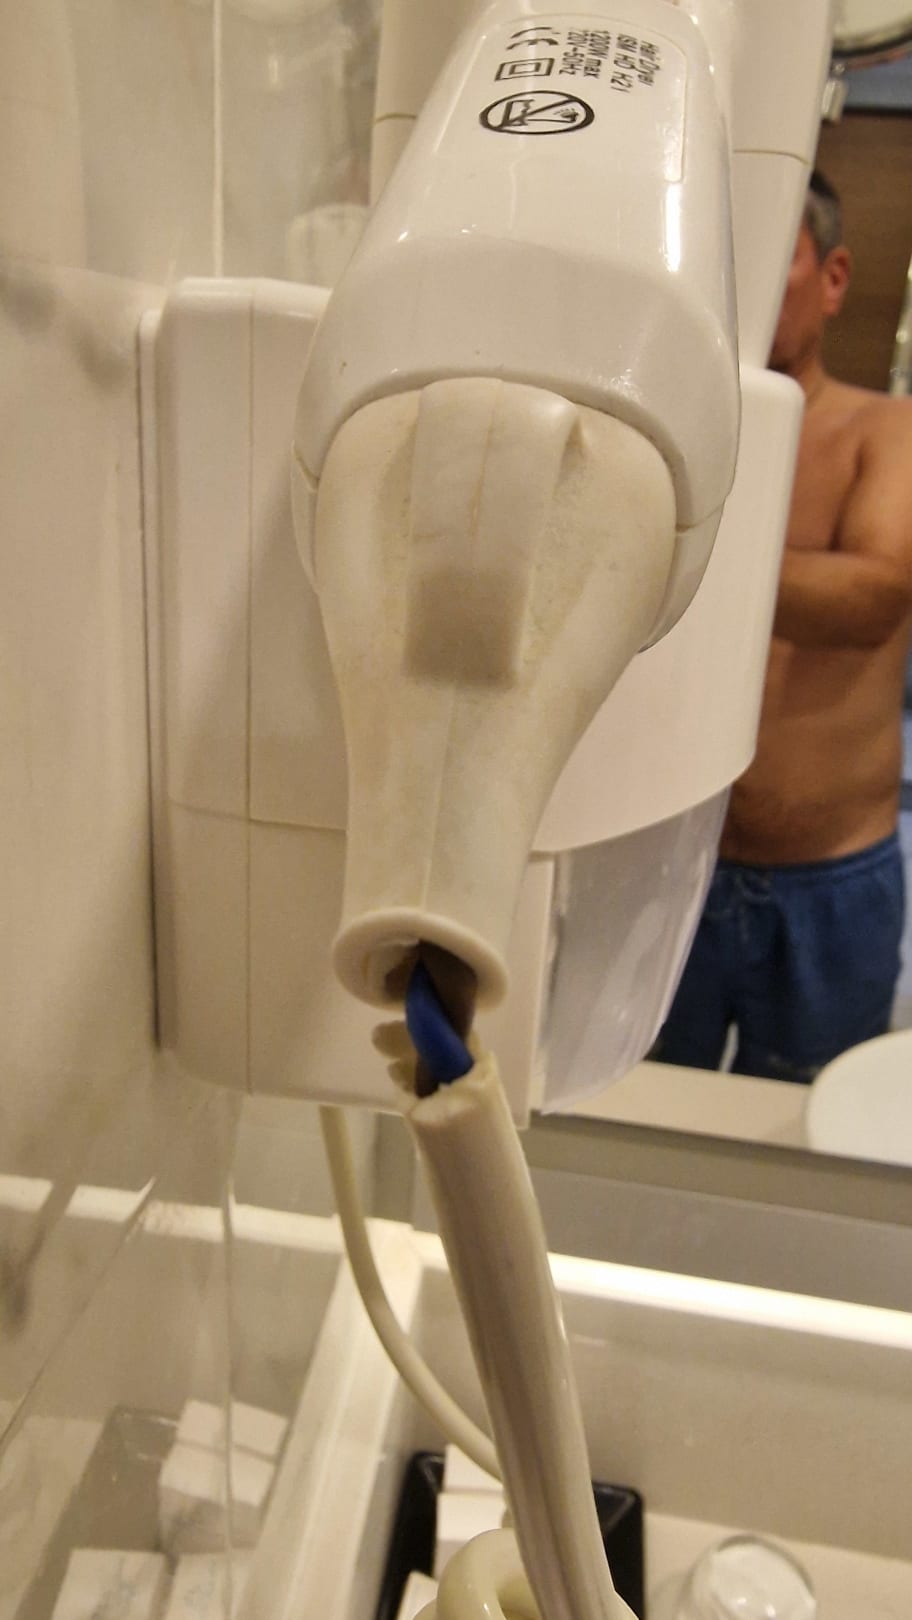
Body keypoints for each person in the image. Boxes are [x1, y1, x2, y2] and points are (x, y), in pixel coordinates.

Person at [654, 170, 912, 1083]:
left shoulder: (888, 431)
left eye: (774, 256)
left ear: (833, 278)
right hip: (666, 861)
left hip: (828, 883)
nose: (743, 285)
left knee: (805, 1131)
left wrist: (658, 545)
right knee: (637, 1113)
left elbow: (871, 599)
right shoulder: (663, 438)